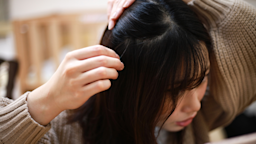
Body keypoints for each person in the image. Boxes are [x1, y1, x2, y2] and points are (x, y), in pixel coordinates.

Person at [0, 0, 255, 144]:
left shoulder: (198, 110)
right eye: (173, 90)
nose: (193, 105)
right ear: (128, 85)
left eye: (201, 80)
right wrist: (45, 100)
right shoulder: (68, 131)